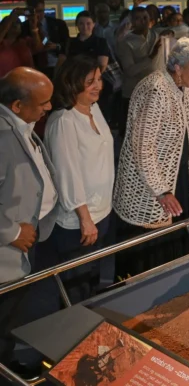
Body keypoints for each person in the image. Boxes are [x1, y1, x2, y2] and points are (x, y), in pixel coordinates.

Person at [113, 37, 189, 278]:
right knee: (149, 260)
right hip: (148, 190)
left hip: (175, 179)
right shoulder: (156, 90)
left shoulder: (185, 88)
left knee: (176, 249)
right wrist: (161, 191)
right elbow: (142, 148)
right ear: (178, 67)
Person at [37, 56, 115, 303]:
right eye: (90, 81)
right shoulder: (63, 121)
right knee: (76, 287)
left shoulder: (93, 108)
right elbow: (66, 173)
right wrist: (85, 218)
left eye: (99, 79)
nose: (98, 86)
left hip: (101, 211)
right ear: (72, 83)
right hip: (78, 221)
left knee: (92, 279)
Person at [0, 67, 58, 370]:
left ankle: (7, 363)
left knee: (11, 316)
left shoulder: (20, 122)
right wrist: (12, 233)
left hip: (25, 243)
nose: (49, 107)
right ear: (17, 105)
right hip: (7, 250)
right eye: (43, 102)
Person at [115, 7, 159, 137]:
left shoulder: (155, 35)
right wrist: (150, 57)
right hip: (134, 93)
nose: (142, 21)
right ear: (132, 21)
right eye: (138, 18)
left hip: (154, 91)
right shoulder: (126, 42)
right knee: (133, 135)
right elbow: (129, 70)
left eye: (145, 18)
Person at [21, 0, 69, 79]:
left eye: (40, 11)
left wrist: (56, 46)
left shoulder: (59, 24)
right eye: (34, 12)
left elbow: (68, 45)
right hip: (35, 67)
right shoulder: (23, 28)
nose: (37, 15)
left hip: (57, 63)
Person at [0, 10, 42, 77]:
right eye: (12, 22)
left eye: (18, 22)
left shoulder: (25, 42)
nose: (15, 24)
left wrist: (34, 27)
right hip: (4, 81)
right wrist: (10, 19)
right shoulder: (2, 43)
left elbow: (38, 48)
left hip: (26, 80)